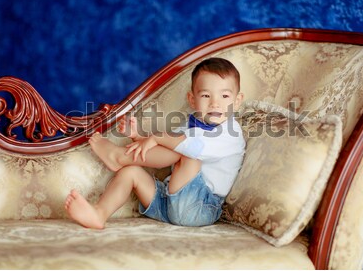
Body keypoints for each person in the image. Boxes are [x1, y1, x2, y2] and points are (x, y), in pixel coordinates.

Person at [64, 57, 245, 229]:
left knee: (187, 151)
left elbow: (190, 147)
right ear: (192, 100)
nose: (215, 103)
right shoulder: (191, 126)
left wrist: (156, 137)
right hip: (167, 203)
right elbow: (167, 147)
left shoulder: (231, 133)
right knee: (131, 173)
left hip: (200, 208)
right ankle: (99, 213)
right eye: (206, 96)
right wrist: (139, 138)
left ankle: (120, 157)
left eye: (225, 96)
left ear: (237, 101)